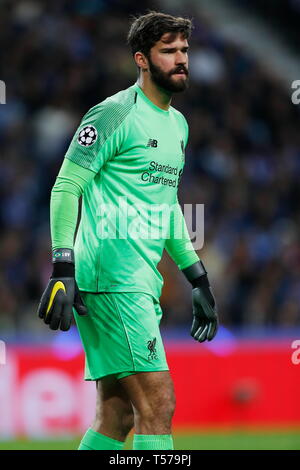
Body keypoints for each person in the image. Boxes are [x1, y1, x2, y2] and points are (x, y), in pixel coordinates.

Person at [37, 11, 218, 451]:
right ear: (142, 59)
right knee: (158, 405)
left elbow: (167, 208)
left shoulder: (177, 126)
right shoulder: (116, 113)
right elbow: (66, 186)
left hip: (139, 281)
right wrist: (63, 265)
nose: (181, 60)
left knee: (116, 415)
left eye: (184, 50)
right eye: (168, 51)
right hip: (111, 279)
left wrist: (197, 276)